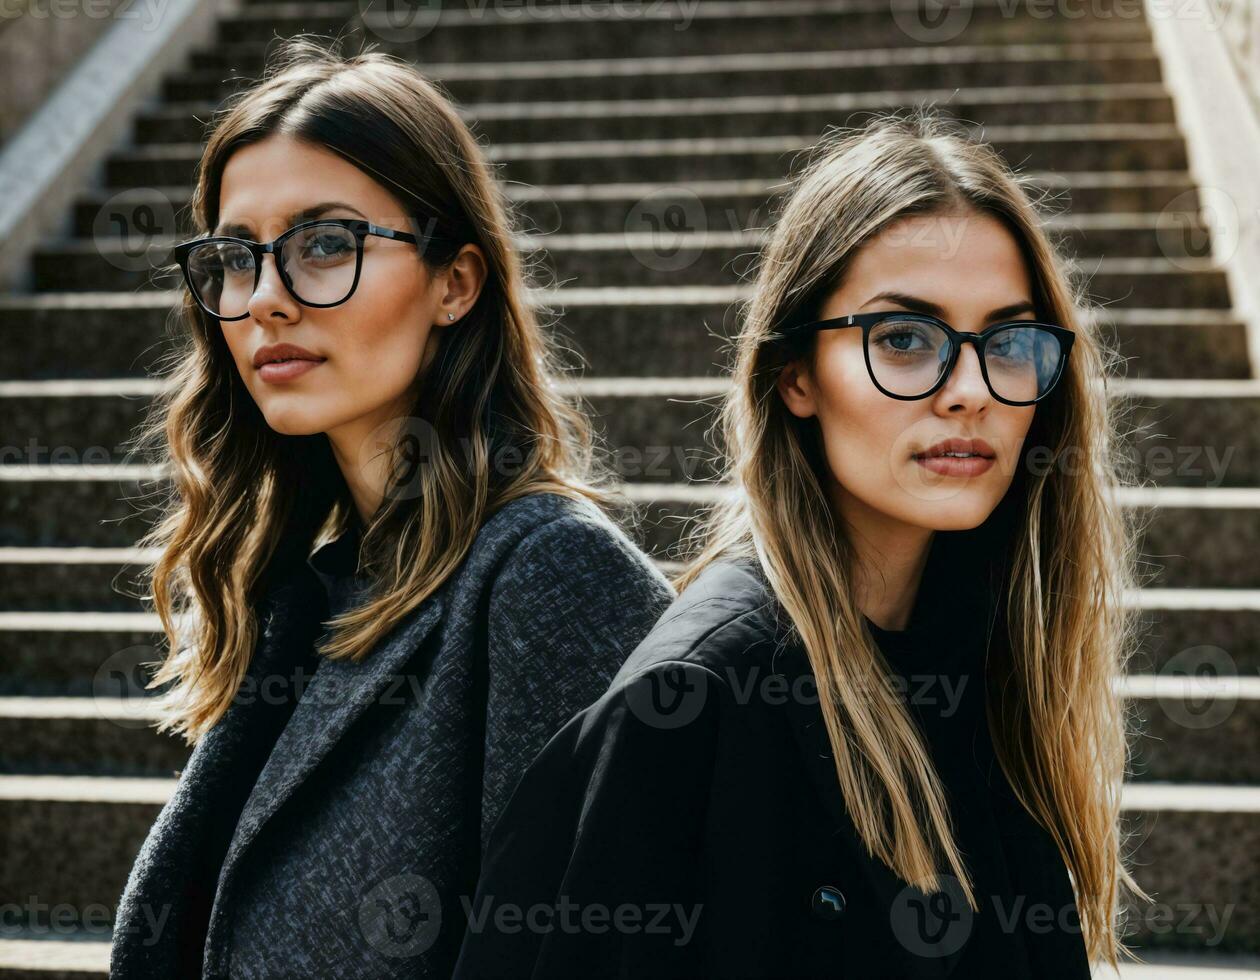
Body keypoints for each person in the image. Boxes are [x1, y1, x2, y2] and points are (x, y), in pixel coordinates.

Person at [453, 110, 1147, 979]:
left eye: (1007, 341)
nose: (971, 389)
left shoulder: (992, 662)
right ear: (794, 377)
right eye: (904, 339)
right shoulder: (697, 698)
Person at [108, 36, 673, 979]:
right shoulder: (303, 593)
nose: (265, 301)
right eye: (236, 257)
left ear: (454, 282)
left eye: (325, 244)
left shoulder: (549, 578)